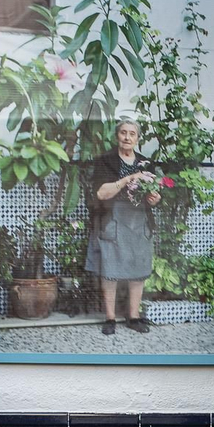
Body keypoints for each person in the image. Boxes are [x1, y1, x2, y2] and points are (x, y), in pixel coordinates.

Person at [86, 117, 161, 335]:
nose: (127, 137)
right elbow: (100, 193)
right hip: (113, 219)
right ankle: (110, 318)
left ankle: (134, 317)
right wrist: (128, 179)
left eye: (132, 134)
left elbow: (153, 194)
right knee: (110, 269)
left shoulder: (145, 163)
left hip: (139, 221)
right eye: (123, 133)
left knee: (138, 270)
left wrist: (155, 198)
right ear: (117, 136)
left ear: (138, 138)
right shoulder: (105, 161)